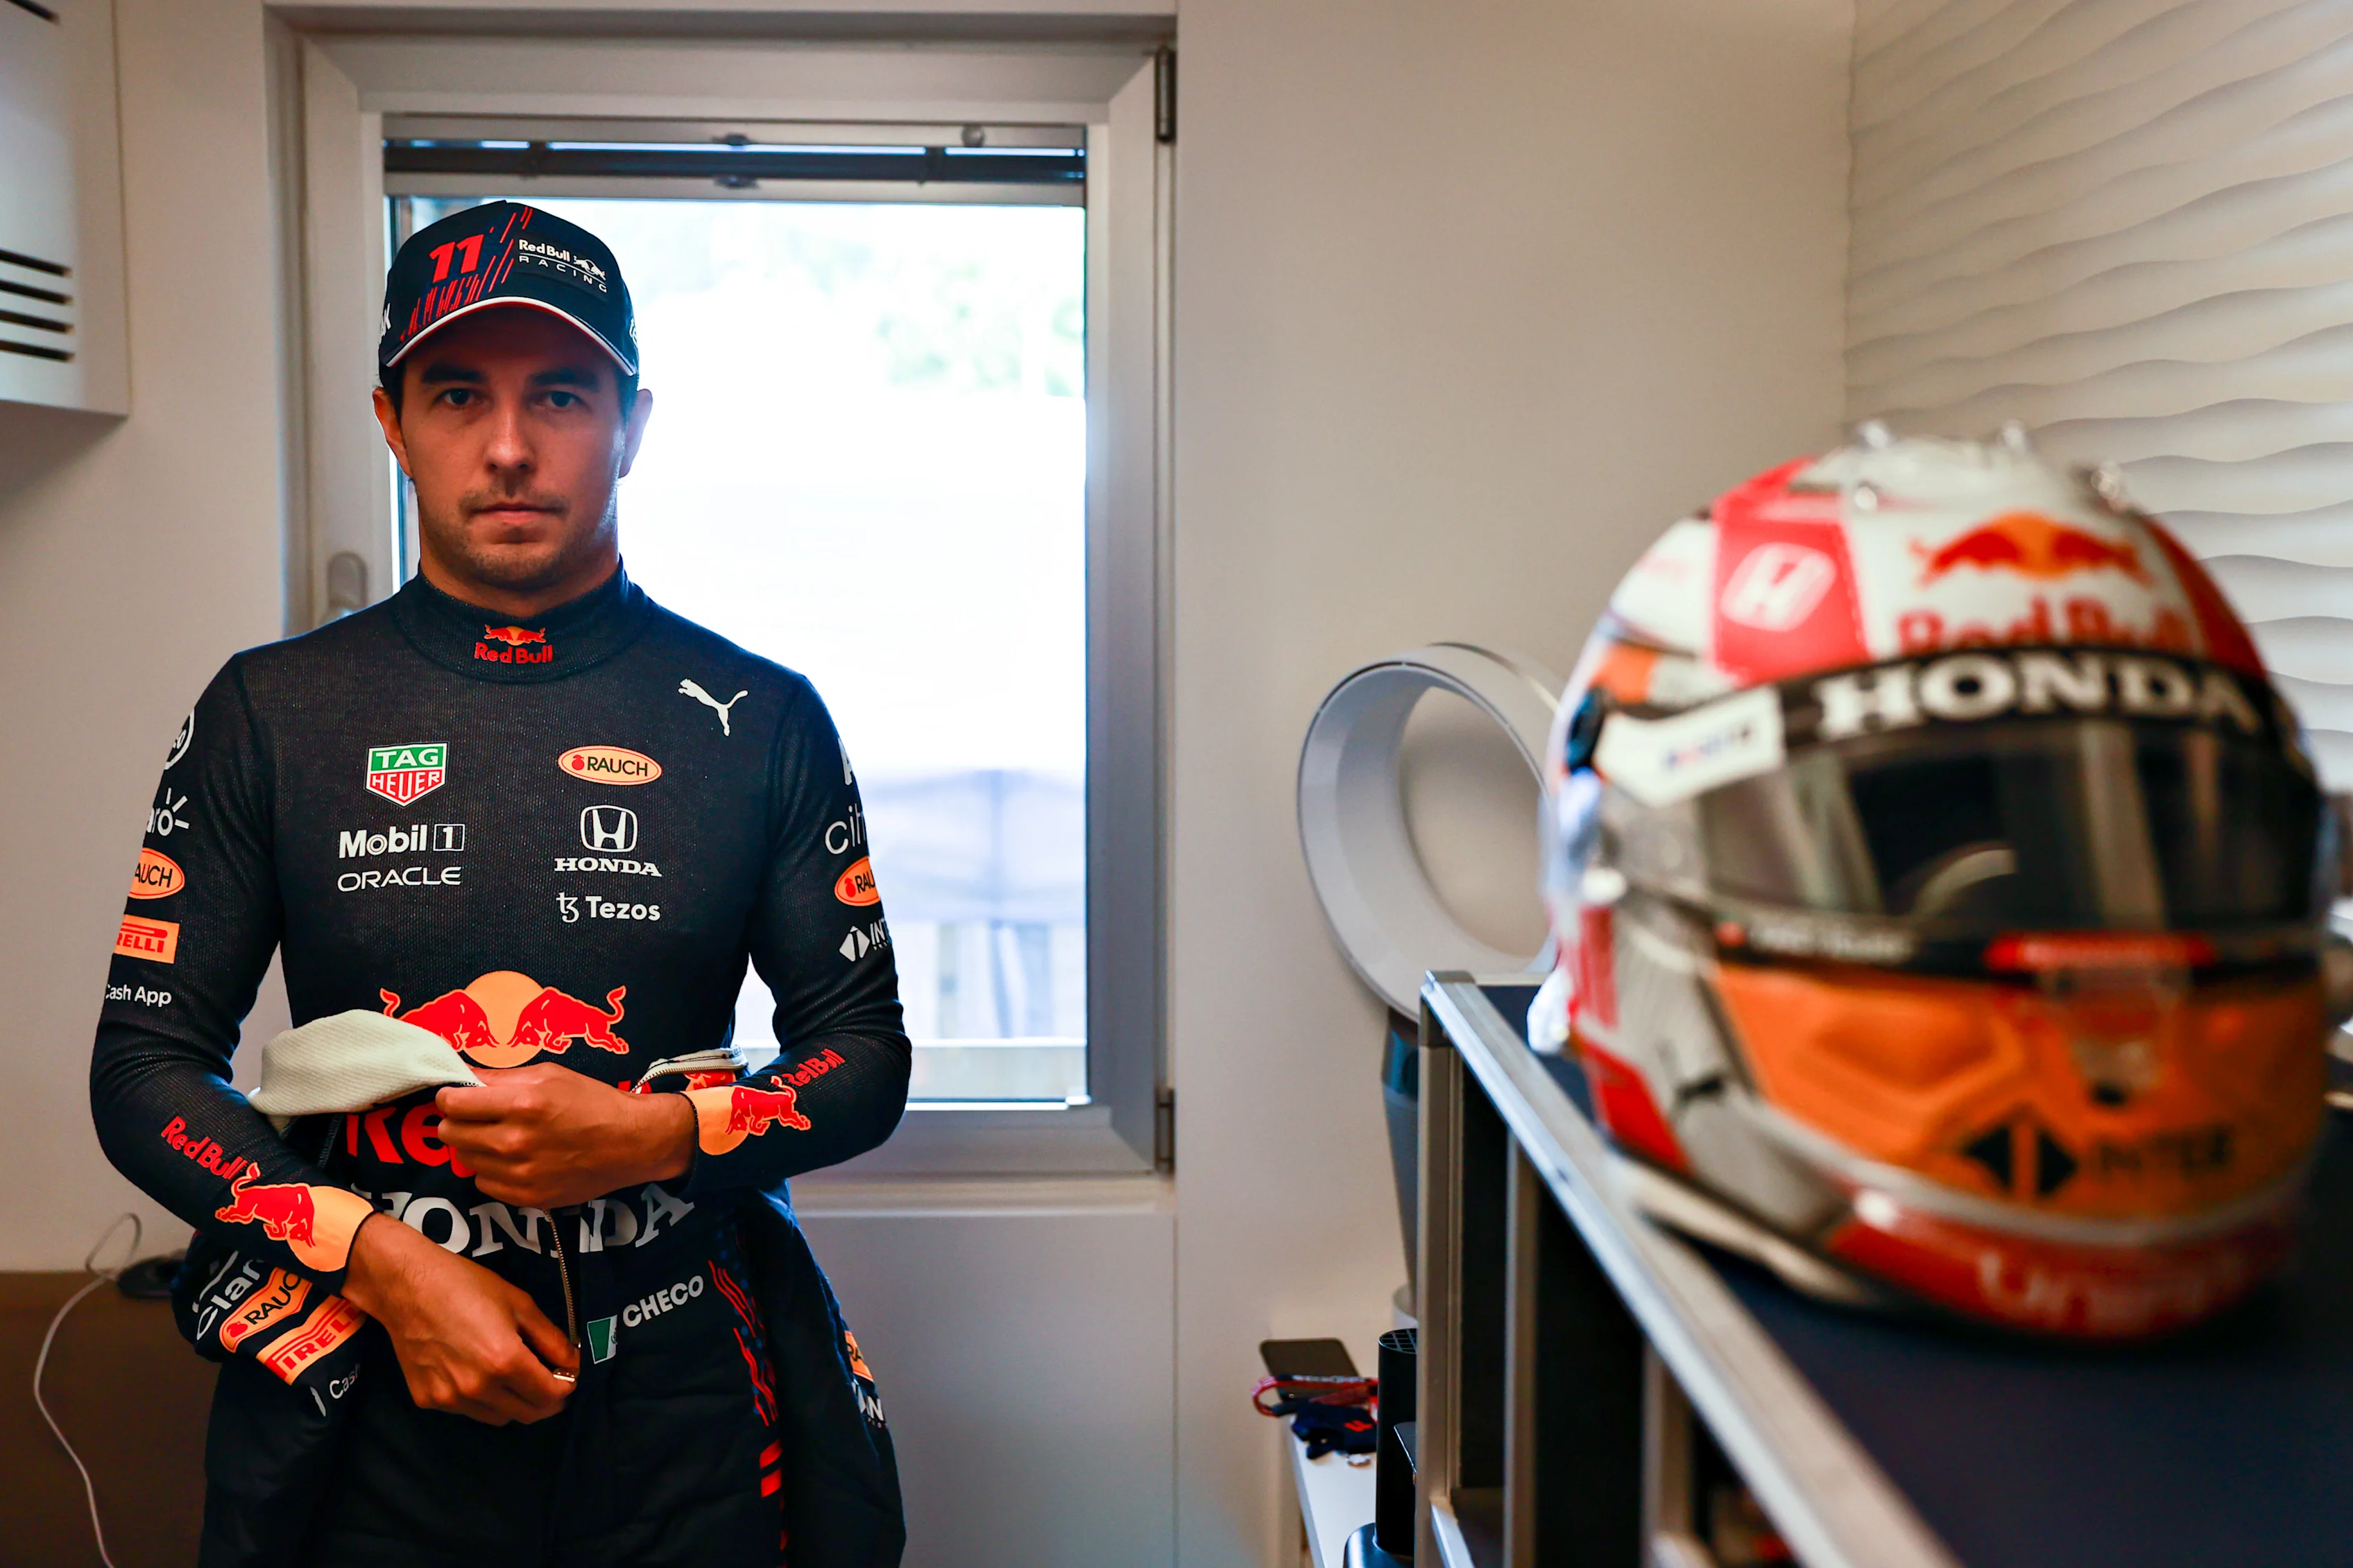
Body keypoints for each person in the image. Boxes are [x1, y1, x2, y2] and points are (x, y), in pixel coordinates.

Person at [89, 201, 910, 1566]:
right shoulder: (272, 711)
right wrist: (386, 1261)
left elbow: (866, 1058)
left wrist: (661, 1134)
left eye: (564, 394)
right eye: (459, 393)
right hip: (369, 1405)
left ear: (633, 421)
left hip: (684, 1411)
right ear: (392, 419)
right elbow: (146, 1067)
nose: (512, 445)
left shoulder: (762, 716)